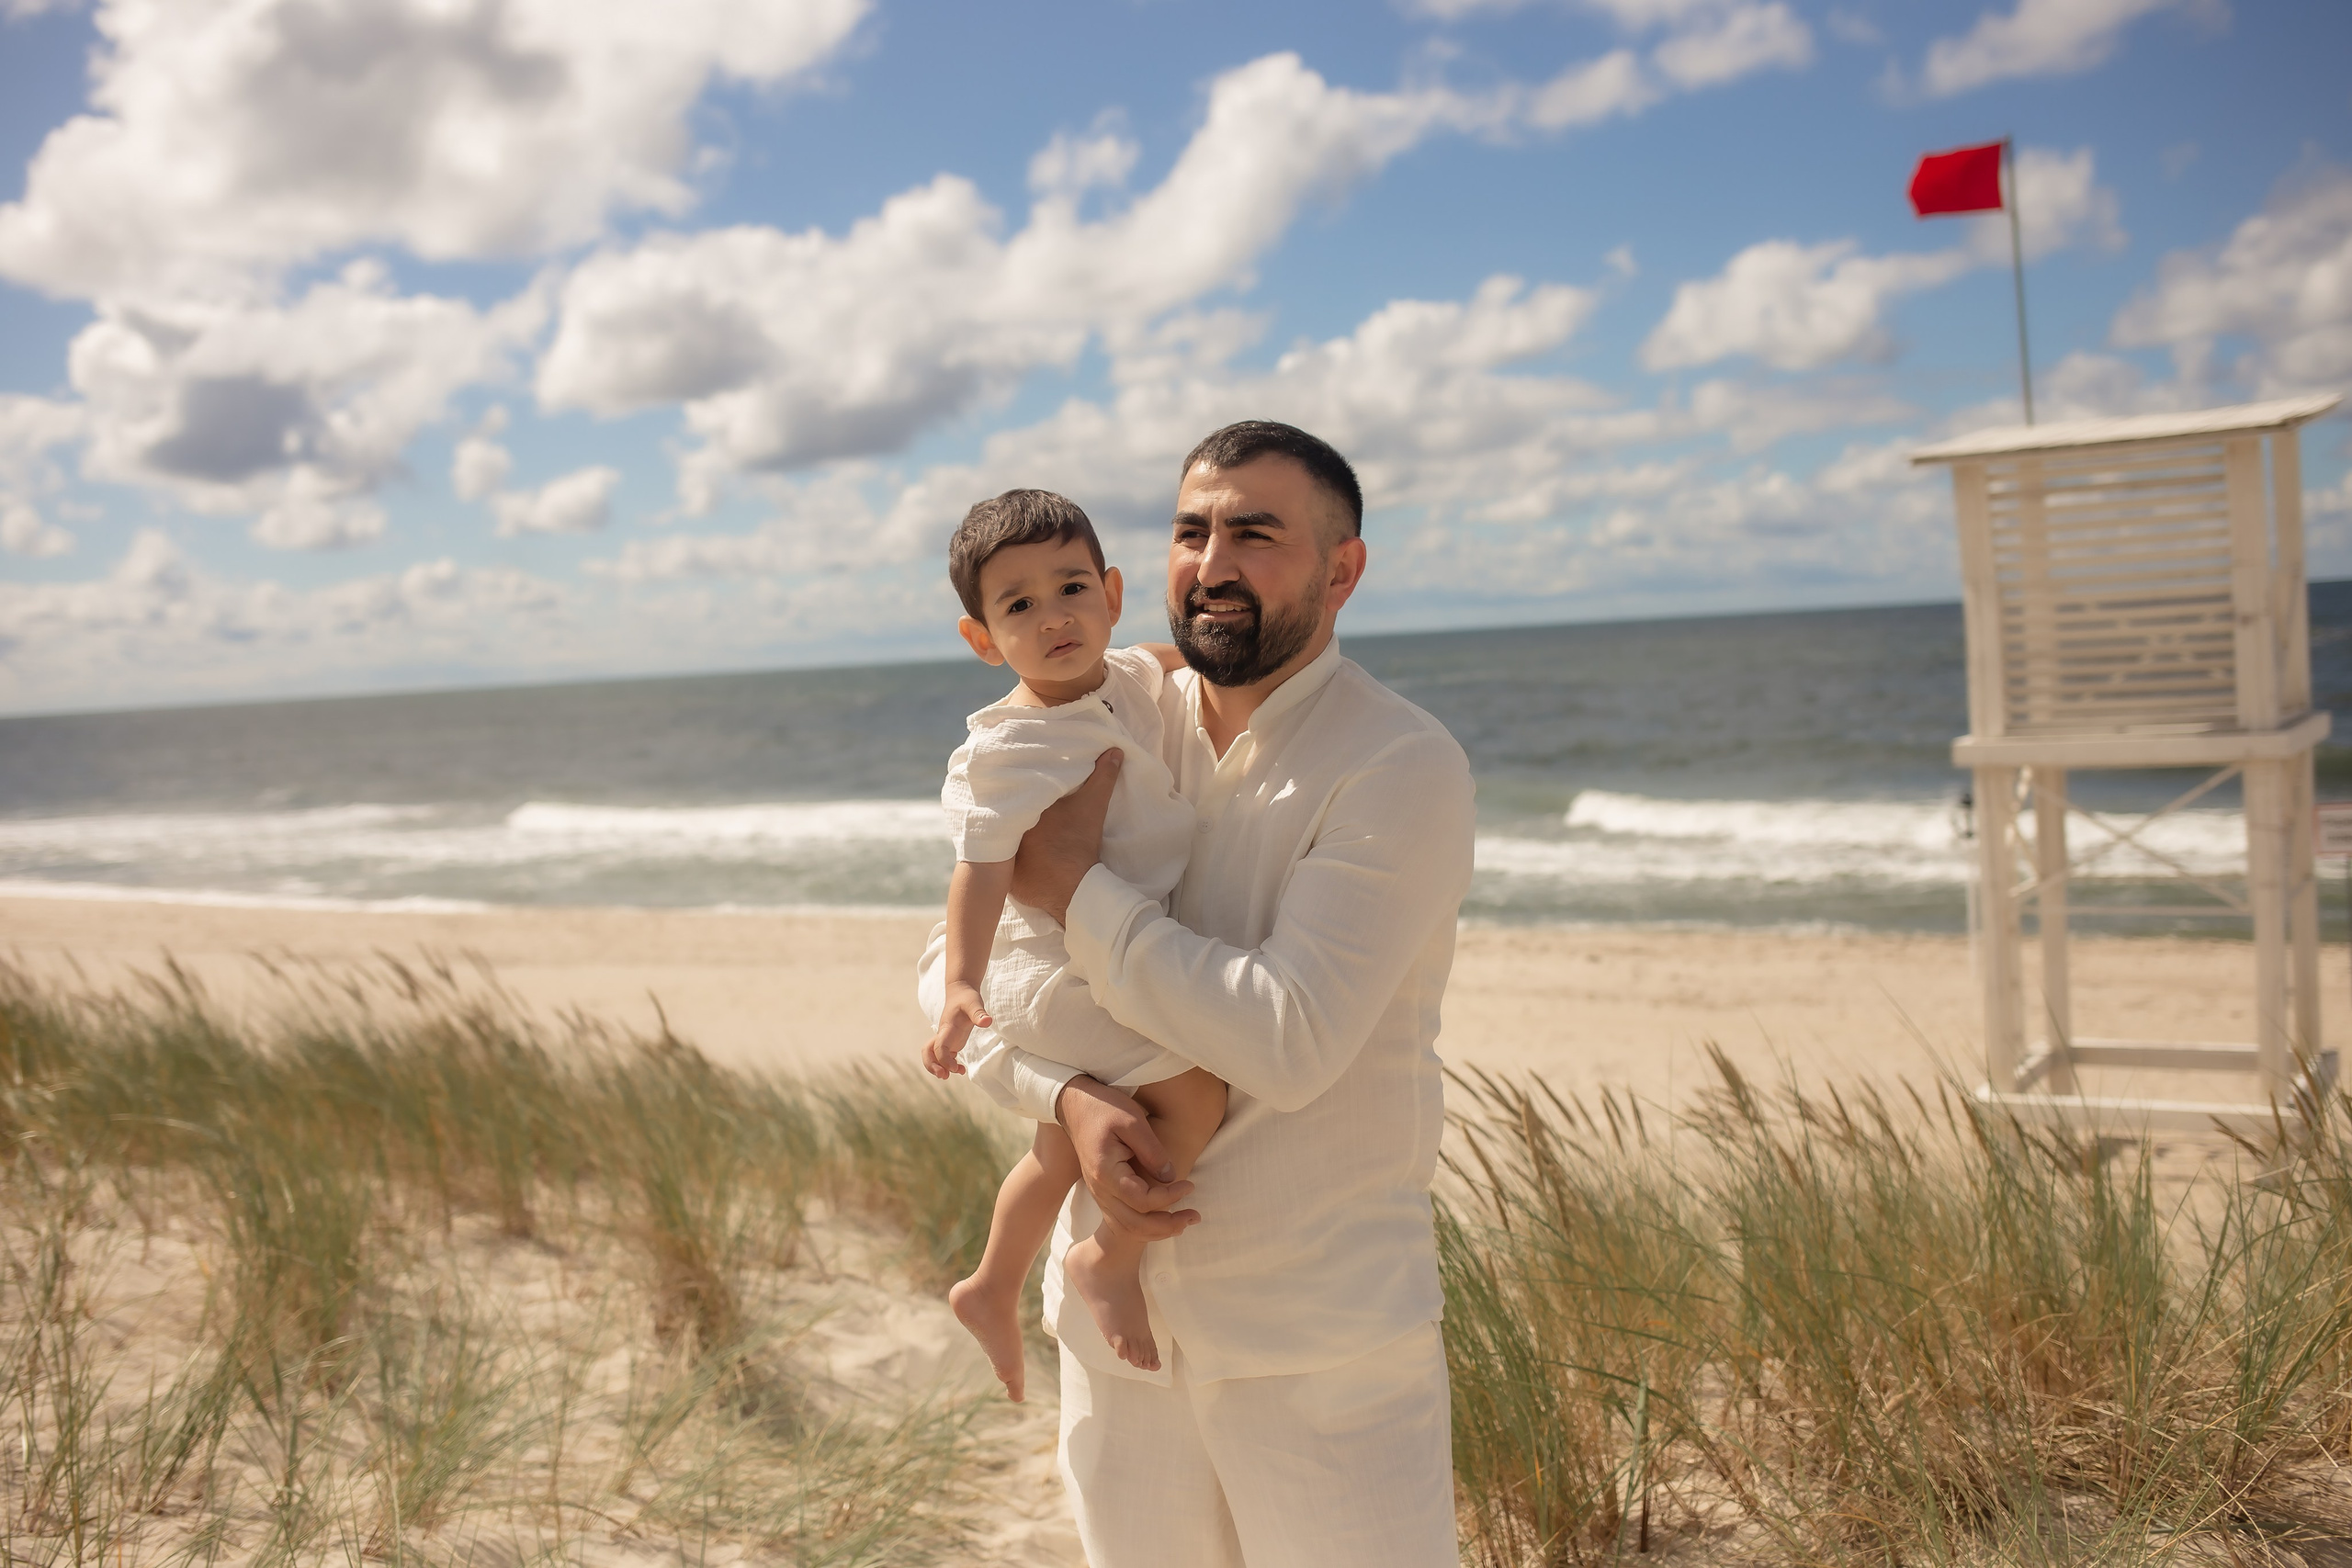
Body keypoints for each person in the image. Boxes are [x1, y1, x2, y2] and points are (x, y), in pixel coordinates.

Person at [988, 422, 1478, 1567]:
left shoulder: (1399, 762)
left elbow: (1287, 1036)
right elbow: (959, 981)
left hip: (1315, 1343)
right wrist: (1065, 1098)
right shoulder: (1098, 724)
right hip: (1117, 1339)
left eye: (1255, 534)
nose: (1211, 564)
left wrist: (1076, 891)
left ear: (1341, 571)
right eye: (1190, 532)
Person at [915, 488, 1229, 1404]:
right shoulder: (1010, 747)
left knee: (1057, 1150)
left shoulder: (1125, 675)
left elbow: (1166, 660)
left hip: (1092, 944)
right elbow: (979, 871)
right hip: (1049, 968)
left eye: (1072, 588)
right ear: (983, 639)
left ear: (1112, 594)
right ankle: (1108, 1254)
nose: (1054, 617)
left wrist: (1219, 657)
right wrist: (962, 985)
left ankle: (991, 1283)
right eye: (1019, 605)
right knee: (1194, 1096)